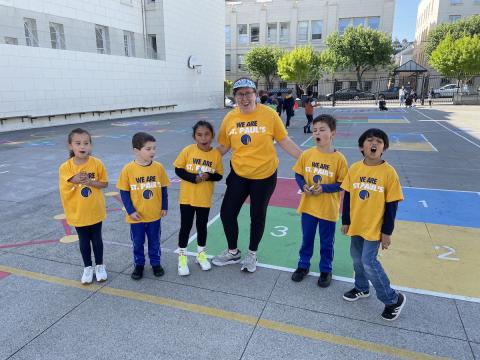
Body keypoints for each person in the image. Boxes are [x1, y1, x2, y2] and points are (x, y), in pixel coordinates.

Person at [212, 77, 302, 273]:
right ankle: (233, 251)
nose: (244, 98)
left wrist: (304, 159)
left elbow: (284, 141)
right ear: (235, 97)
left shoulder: (269, 115)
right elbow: (224, 145)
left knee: (257, 215)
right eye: (240, 94)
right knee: (227, 213)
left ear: (255, 94)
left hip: (264, 174)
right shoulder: (230, 118)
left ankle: (252, 254)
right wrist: (202, 159)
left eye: (248, 93)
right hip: (239, 173)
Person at [340, 128, 406, 321]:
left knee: (369, 262)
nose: (374, 144)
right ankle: (361, 287)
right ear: (362, 146)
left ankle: (393, 299)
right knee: (356, 258)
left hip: (374, 228)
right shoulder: (355, 168)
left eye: (378, 141)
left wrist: (387, 232)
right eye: (369, 140)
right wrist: (346, 221)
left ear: (383, 148)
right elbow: (348, 197)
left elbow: (392, 205)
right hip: (357, 225)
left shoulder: (388, 173)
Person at [291, 115, 348, 287]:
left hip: (328, 209)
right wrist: (304, 186)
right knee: (307, 238)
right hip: (308, 206)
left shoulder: (339, 159)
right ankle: (303, 265)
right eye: (315, 130)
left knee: (326, 242)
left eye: (322, 130)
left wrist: (324, 188)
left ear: (332, 134)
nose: (317, 133)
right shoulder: (307, 154)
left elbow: (342, 184)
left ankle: (325, 269)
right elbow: (298, 173)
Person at [117, 132, 170, 280]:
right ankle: (139, 264)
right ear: (136, 151)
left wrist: (164, 206)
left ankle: (156, 263)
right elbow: (124, 192)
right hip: (136, 217)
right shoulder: (128, 169)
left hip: (154, 215)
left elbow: (163, 188)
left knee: (155, 241)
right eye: (148, 149)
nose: (152, 151)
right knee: (137, 242)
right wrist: (130, 211)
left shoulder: (158, 167)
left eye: (154, 148)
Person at [58, 128, 108, 284]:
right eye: (78, 143)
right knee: (84, 240)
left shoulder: (97, 163)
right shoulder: (66, 167)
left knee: (97, 239)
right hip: (78, 211)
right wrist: (77, 178)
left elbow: (104, 183)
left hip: (94, 209)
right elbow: (68, 182)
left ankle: (99, 265)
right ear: (70, 146)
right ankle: (87, 267)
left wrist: (91, 182)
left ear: (90, 146)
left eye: (86, 143)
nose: (82, 146)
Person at [173, 121, 224, 276]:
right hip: (187, 198)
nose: (203, 138)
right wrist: (192, 178)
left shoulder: (215, 154)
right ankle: (182, 257)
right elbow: (178, 169)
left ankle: (201, 255)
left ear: (212, 135)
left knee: (202, 227)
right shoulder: (188, 151)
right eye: (199, 134)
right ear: (194, 136)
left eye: (207, 134)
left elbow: (219, 175)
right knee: (186, 227)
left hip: (204, 199)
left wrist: (208, 176)